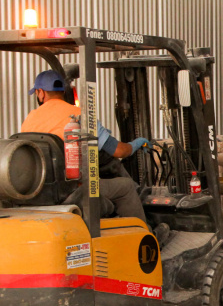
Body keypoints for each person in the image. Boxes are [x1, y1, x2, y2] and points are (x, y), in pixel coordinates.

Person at [21, 70, 150, 223]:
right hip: (72, 189)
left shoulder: (30, 119)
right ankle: (143, 237)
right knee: (126, 186)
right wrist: (136, 144)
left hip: (40, 190)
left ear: (41, 93)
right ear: (63, 91)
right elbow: (119, 151)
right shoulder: (79, 115)